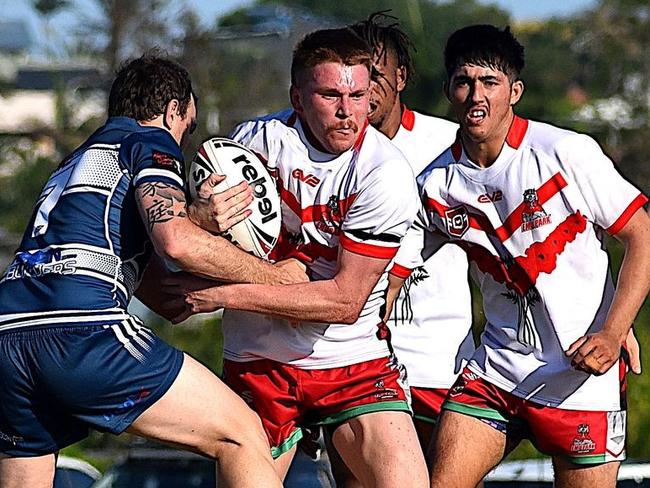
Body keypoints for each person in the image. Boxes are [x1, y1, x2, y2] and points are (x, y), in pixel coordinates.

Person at [0, 53, 303, 488]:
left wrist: (213, 261)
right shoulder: (148, 140)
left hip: (8, 338)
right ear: (171, 110)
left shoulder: (73, 165)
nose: (183, 141)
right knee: (242, 435)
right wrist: (276, 277)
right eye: (189, 127)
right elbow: (176, 241)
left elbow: (168, 301)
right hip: (81, 331)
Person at [166, 28, 429, 487]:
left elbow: (344, 303)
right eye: (330, 94)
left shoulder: (385, 173)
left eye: (359, 95)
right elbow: (205, 242)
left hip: (352, 359)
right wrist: (203, 218)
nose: (348, 111)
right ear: (298, 97)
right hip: (260, 358)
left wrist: (227, 294)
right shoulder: (255, 142)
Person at [394, 25, 649, 488]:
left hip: (582, 375)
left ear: (514, 91)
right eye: (464, 81)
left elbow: (642, 236)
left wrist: (613, 332)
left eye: (489, 83)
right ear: (449, 89)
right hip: (497, 370)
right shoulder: (435, 183)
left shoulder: (565, 152)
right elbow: (390, 271)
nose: (476, 95)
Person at [317, 13, 472, 487]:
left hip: (438, 358)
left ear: (401, 77)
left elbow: (515, 232)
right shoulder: (326, 151)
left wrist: (605, 310)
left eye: (377, 77)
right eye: (359, 82)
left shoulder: (448, 144)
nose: (368, 92)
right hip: (351, 359)